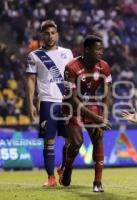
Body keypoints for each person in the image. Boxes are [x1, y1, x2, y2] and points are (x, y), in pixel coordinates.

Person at [60, 35, 112, 192]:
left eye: (102, 49)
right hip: (72, 107)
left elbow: (107, 95)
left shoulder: (104, 66)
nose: (101, 52)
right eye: (98, 49)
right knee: (77, 142)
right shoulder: (71, 68)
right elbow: (73, 99)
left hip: (93, 104)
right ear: (87, 50)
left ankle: (97, 182)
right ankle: (67, 167)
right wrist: (96, 117)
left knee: (98, 137)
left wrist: (103, 118)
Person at [25, 20, 73, 187]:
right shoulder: (34, 56)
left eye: (53, 33)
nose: (50, 36)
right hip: (47, 101)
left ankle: (63, 168)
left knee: (70, 140)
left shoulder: (67, 53)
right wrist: (31, 103)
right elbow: (31, 80)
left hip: (66, 102)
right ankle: (51, 178)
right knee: (49, 140)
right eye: (47, 33)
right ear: (42, 35)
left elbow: (73, 77)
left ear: (57, 34)